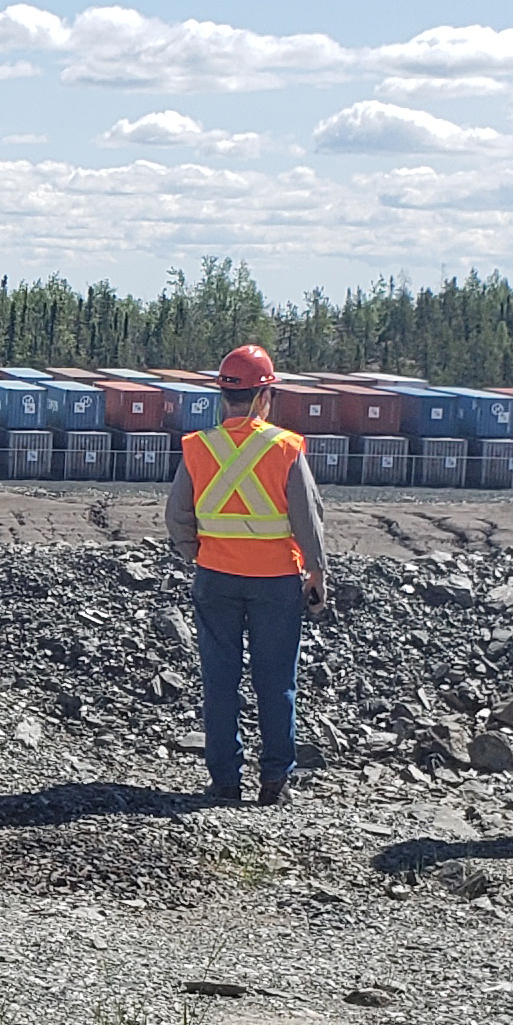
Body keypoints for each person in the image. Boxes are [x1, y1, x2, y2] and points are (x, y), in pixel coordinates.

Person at [166, 344, 330, 805]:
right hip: (277, 582)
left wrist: (199, 553)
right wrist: (316, 572)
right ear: (264, 397)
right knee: (275, 681)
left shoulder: (199, 447)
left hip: (215, 578)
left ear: (225, 396)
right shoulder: (285, 447)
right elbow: (307, 515)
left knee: (220, 682)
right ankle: (275, 778)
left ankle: (224, 780)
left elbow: (178, 516)